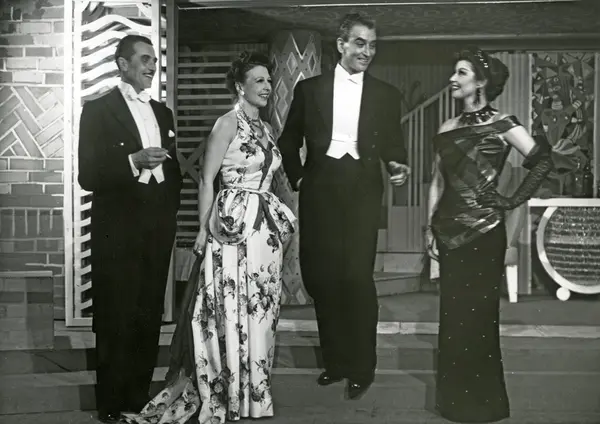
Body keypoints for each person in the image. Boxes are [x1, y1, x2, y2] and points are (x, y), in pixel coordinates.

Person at [122, 51, 297, 424]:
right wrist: (203, 229)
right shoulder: (226, 124)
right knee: (229, 310)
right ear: (240, 86)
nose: (267, 86)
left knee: (261, 313)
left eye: (269, 80)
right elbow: (206, 180)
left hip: (264, 233)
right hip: (231, 227)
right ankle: (227, 393)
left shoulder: (267, 128)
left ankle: (254, 396)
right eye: (259, 80)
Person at [278, 12, 410, 400]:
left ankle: (361, 367)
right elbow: (288, 140)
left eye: (372, 45)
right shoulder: (309, 90)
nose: (366, 52)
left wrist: (398, 165)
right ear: (341, 44)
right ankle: (335, 362)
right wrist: (299, 177)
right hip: (319, 189)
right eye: (359, 43)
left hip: (363, 191)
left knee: (356, 278)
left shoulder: (387, 95)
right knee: (323, 279)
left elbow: (394, 145)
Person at [426, 46, 553, 423]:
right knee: (452, 319)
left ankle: (483, 406)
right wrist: (429, 229)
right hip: (448, 233)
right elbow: (437, 182)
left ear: (481, 82)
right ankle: (453, 405)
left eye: (461, 73)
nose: (453, 78)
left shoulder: (504, 123)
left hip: (484, 234)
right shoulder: (446, 128)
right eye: (454, 72)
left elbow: (542, 161)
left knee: (479, 320)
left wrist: (511, 199)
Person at [78, 35, 182, 423]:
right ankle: (110, 404)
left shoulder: (162, 112)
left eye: (154, 60)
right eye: (144, 59)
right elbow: (87, 175)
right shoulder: (98, 110)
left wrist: (169, 212)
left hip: (156, 226)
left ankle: (138, 399)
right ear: (123, 64)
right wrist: (133, 161)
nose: (152, 66)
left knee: (148, 314)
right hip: (116, 227)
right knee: (115, 313)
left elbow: (173, 170)